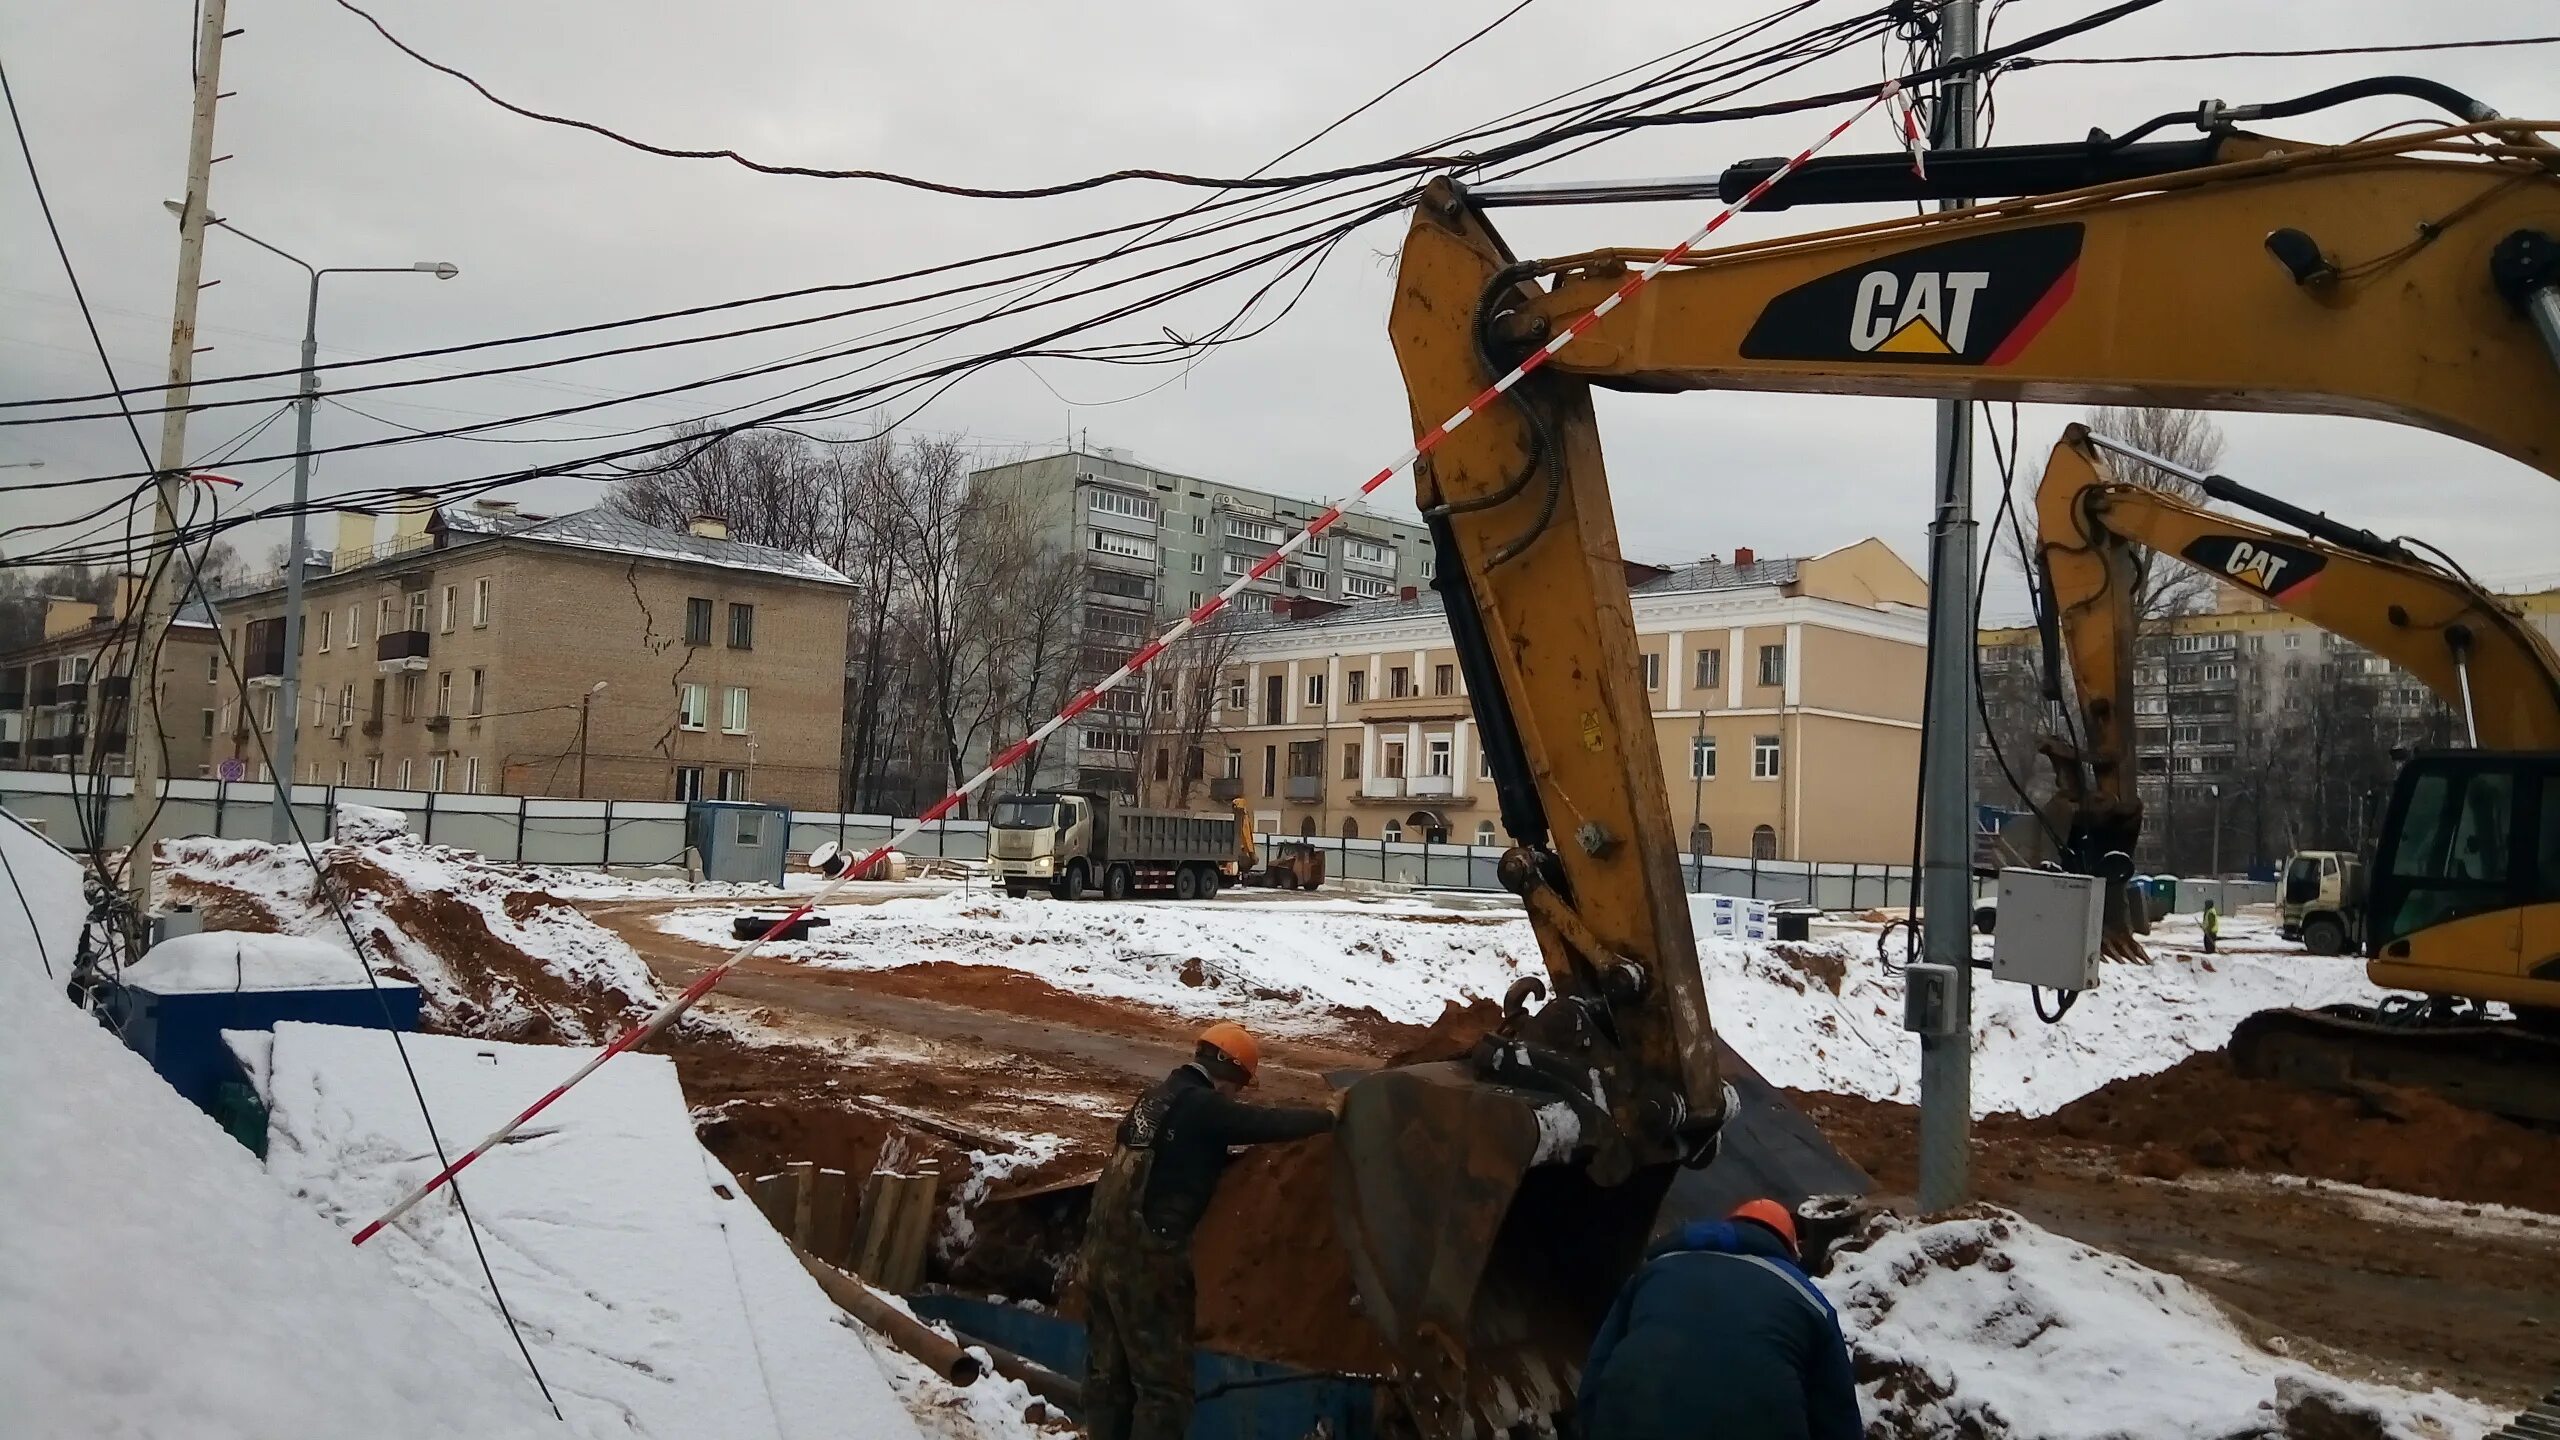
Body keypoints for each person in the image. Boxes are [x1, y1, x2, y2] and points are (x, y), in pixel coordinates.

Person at [1081, 1021, 1335, 1440]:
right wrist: (1327, 1118)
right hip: (1147, 1264)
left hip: (1099, 1251)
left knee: (1108, 1377)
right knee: (1164, 1391)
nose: (1237, 1096)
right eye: (1240, 1087)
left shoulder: (1155, 1098)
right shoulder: (1205, 1107)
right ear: (1230, 1076)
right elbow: (1264, 1123)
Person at [1578, 1198, 1861, 1440]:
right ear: (1788, 1248)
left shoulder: (1652, 1271)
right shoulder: (1809, 1299)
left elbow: (1596, 1369)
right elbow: (1837, 1416)